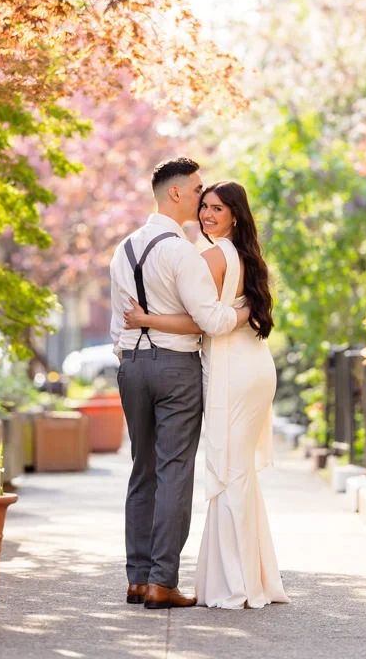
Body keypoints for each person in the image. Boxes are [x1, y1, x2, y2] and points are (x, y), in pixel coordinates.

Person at [124, 180, 289, 609]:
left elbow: (203, 321)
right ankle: (252, 578)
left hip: (235, 370)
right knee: (238, 471)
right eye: (206, 208)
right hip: (251, 364)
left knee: (229, 470)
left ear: (235, 214)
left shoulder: (212, 256)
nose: (207, 215)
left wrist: (147, 318)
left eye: (217, 209)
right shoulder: (245, 254)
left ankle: (235, 585)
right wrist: (242, 311)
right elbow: (233, 310)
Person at [110, 159, 251, 610]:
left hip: (130, 365)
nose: (200, 197)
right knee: (175, 470)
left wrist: (134, 350)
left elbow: (118, 327)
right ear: (175, 194)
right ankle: (162, 582)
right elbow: (210, 321)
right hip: (176, 369)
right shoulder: (182, 252)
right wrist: (247, 311)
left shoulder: (123, 249)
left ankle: (136, 580)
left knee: (142, 470)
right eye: (195, 190)